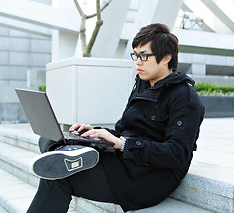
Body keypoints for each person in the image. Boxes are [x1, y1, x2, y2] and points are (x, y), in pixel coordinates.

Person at [27, 23, 205, 213]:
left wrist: (123, 144)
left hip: (150, 177)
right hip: (125, 161)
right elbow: (122, 129)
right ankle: (68, 149)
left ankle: (68, 155)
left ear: (166, 58)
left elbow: (177, 154)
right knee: (50, 137)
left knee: (58, 175)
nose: (138, 61)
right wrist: (94, 132)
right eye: (135, 55)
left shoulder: (184, 97)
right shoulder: (143, 83)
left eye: (144, 56)